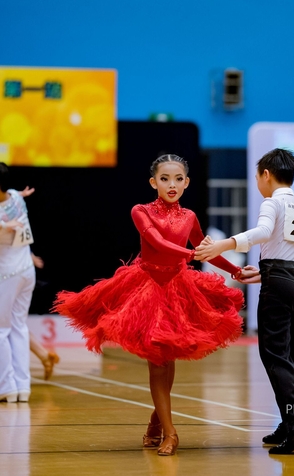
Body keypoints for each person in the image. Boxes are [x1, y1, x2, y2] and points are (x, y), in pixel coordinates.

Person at [54, 154, 253, 456]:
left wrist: (236, 271)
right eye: (164, 179)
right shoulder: (141, 211)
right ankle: (171, 433)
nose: (171, 184)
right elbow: (158, 242)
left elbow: (206, 249)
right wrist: (191, 255)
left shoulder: (190, 216)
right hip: (147, 290)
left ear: (187, 182)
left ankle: (155, 423)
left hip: (178, 289)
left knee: (167, 361)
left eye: (178, 179)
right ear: (153, 182)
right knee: (158, 364)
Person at [196, 148, 294, 455]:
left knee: (275, 356)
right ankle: (292, 422)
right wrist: (266, 274)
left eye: (257, 176)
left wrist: (223, 245)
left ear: (266, 174)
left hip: (281, 286)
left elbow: (263, 232)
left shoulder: (272, 202)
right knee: (290, 356)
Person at [0, 163, 37, 403]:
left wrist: (4, 225)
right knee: (19, 326)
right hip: (26, 270)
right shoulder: (14, 196)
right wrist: (22, 194)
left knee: (1, 330)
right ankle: (22, 387)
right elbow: (15, 194)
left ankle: (7, 387)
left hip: (7, 274)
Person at [17, 187, 61, 381]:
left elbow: (19, 237)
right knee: (14, 323)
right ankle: (43, 355)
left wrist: (29, 255)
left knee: (10, 324)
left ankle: (16, 378)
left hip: (13, 273)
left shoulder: (10, 207)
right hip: (20, 271)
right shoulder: (14, 204)